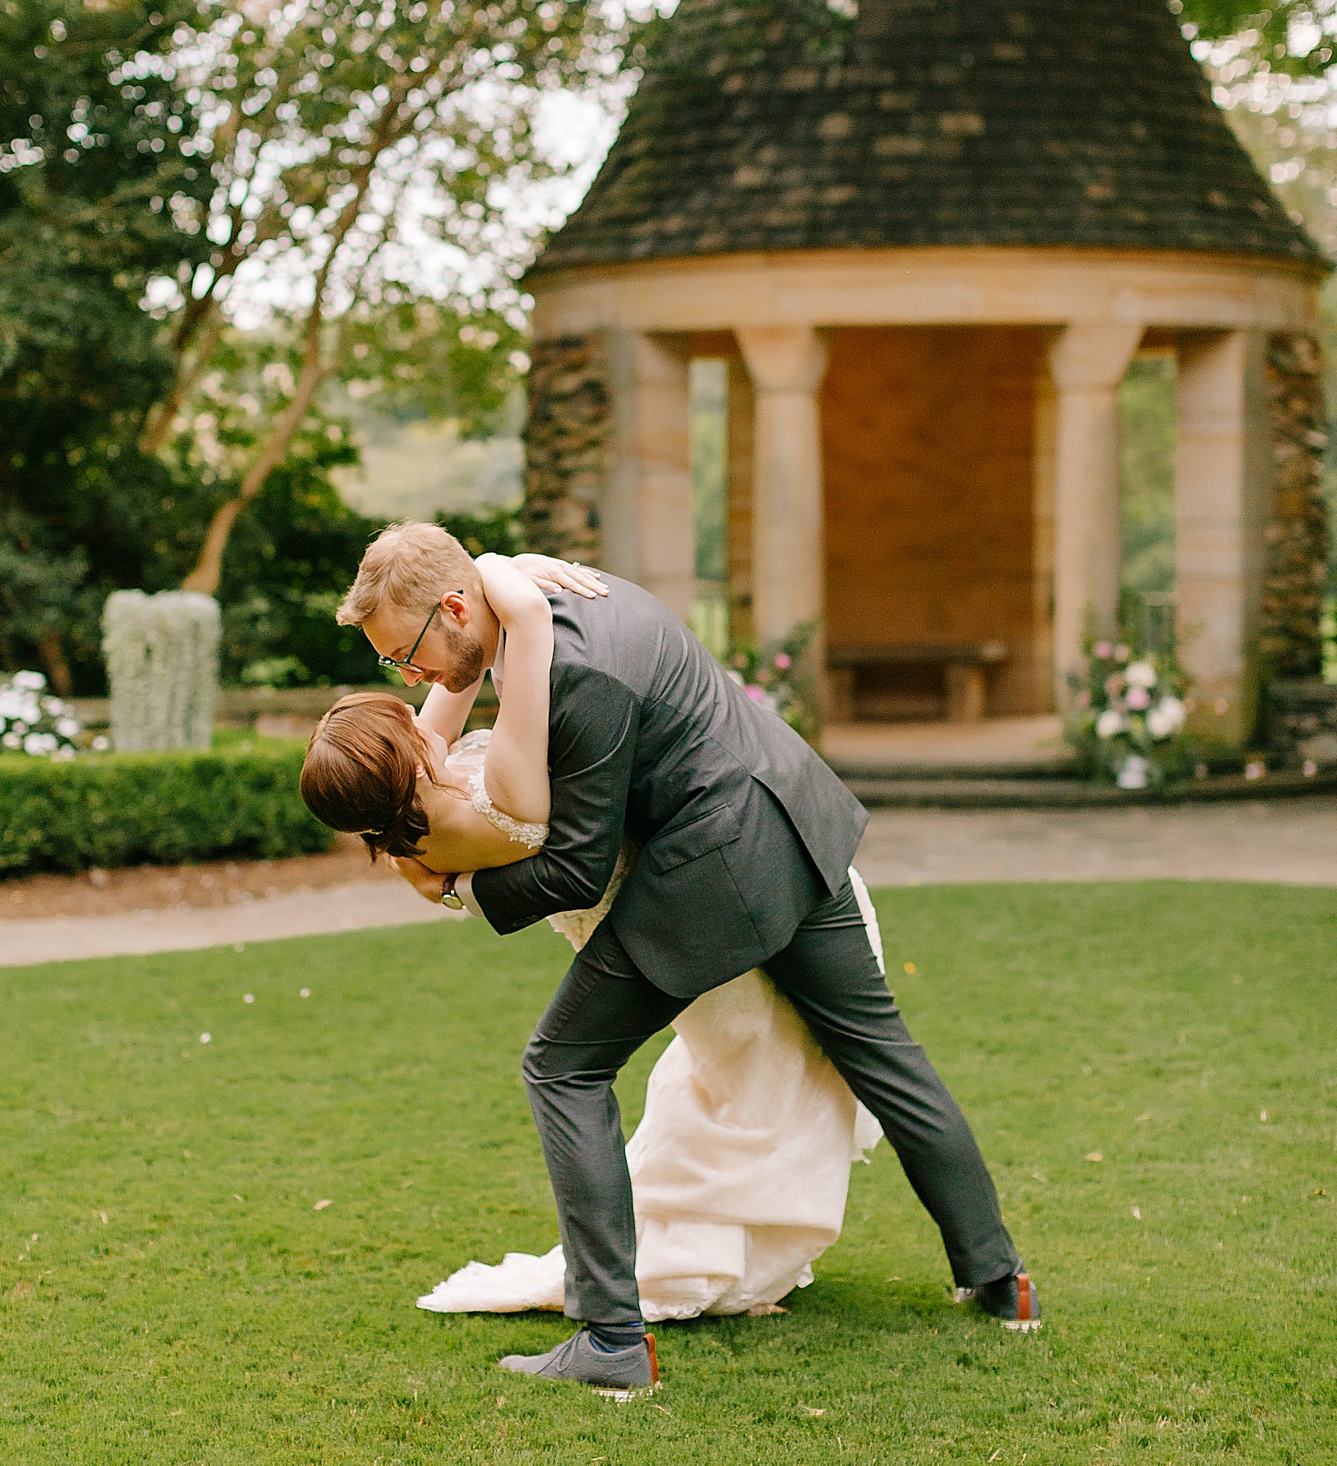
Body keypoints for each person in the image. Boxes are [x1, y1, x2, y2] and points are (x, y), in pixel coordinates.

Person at [321, 523, 1040, 1395]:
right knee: (882, 1054)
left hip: (718, 868)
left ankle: (612, 1341)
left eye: (409, 656)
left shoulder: (573, 671)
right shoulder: (554, 597)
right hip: (795, 817)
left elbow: (579, 864)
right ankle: (1001, 1281)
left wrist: (458, 893)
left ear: (457, 606)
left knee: (562, 1068)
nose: (415, 677)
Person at [301, 552, 894, 1337]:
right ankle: (704, 1270)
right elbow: (569, 839)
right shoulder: (490, 799)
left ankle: (708, 1263)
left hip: (697, 893)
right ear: (396, 766)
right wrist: (519, 604)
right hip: (683, 909)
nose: (413, 687)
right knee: (750, 1081)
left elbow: (454, 683)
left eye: (401, 661)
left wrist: (486, 575)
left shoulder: (419, 802)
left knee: (738, 1084)